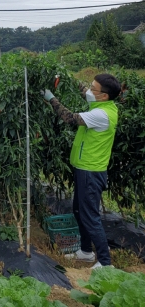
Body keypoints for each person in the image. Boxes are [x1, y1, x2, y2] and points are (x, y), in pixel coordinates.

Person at [42, 73, 121, 269]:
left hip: (91, 172)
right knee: (79, 210)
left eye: (94, 88)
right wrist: (64, 75)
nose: (89, 90)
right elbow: (85, 92)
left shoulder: (101, 114)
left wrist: (51, 98)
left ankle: (105, 262)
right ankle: (86, 251)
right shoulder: (102, 104)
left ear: (104, 96)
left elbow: (69, 118)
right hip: (84, 169)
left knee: (90, 216)